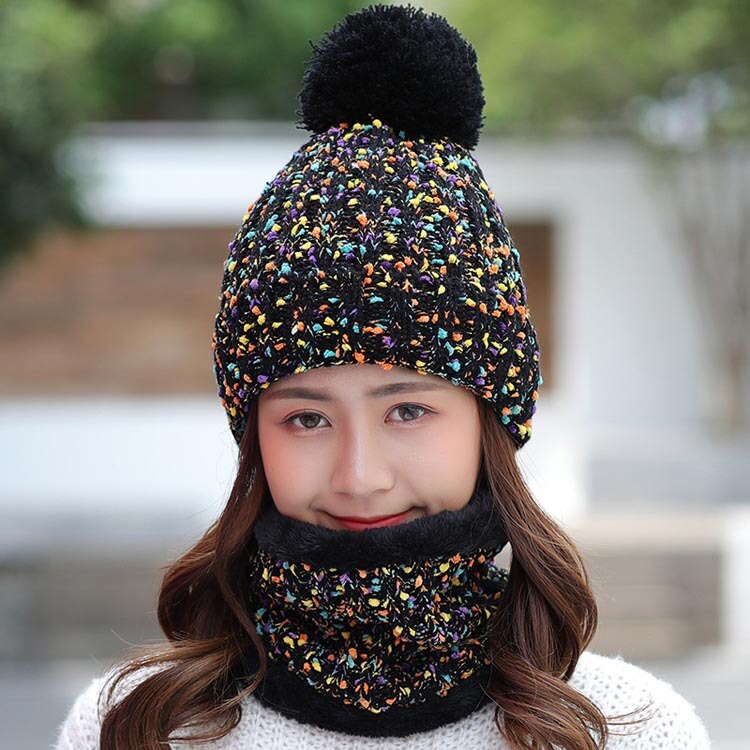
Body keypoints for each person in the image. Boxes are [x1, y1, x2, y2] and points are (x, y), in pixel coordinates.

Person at [55, 4, 712, 749]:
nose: (360, 477)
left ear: (490, 421)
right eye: (306, 418)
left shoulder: (627, 729)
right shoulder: (140, 726)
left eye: (407, 410)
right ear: (253, 434)